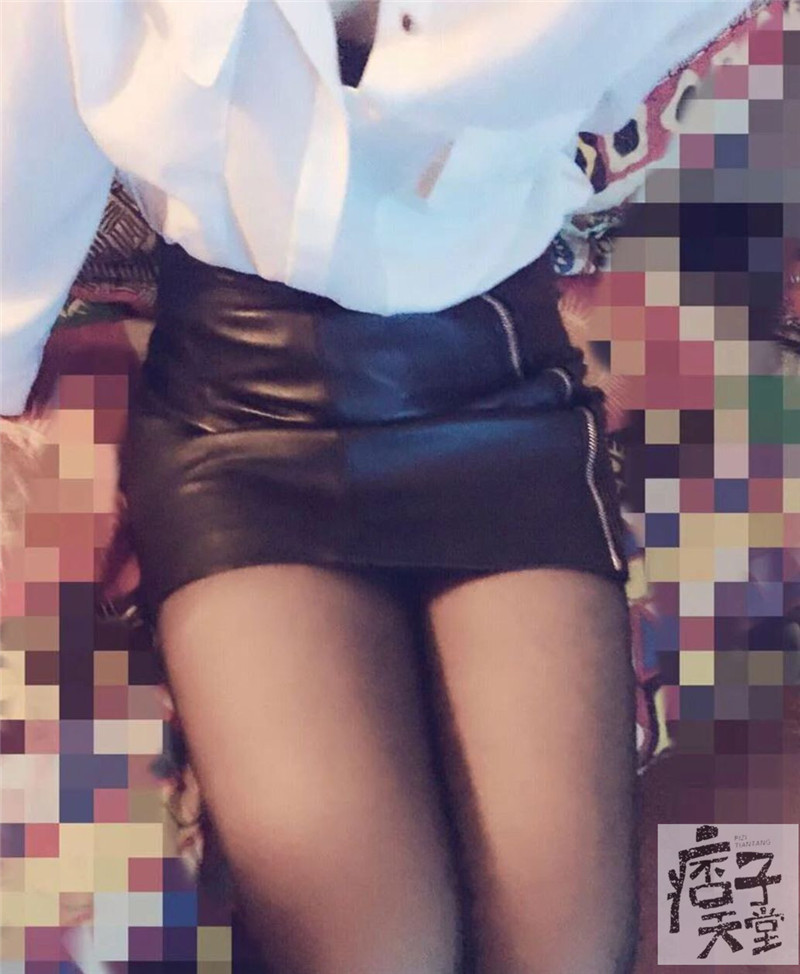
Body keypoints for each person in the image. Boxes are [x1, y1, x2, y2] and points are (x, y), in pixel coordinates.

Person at [0, 2, 764, 972]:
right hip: (239, 413)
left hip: (502, 390)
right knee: (373, 946)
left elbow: (618, 71)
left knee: (561, 949)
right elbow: (24, 144)